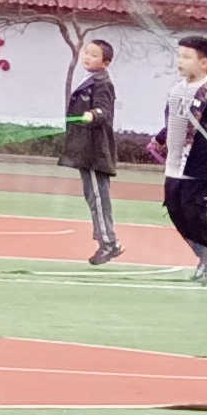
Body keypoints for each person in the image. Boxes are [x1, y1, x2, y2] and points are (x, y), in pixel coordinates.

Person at [159, 35, 207, 279]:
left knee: (194, 213)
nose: (180, 61)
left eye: (187, 57)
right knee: (176, 212)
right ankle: (205, 258)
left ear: (204, 63)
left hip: (199, 165)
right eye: (179, 56)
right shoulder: (177, 89)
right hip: (174, 165)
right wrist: (160, 138)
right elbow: (175, 121)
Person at [58, 35, 123, 265]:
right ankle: (105, 239)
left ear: (105, 63)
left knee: (98, 196)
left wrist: (93, 114)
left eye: (94, 55)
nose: (88, 57)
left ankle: (110, 243)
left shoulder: (103, 84)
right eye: (87, 52)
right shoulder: (87, 79)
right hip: (85, 149)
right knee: (92, 196)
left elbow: (105, 112)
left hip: (96, 151)